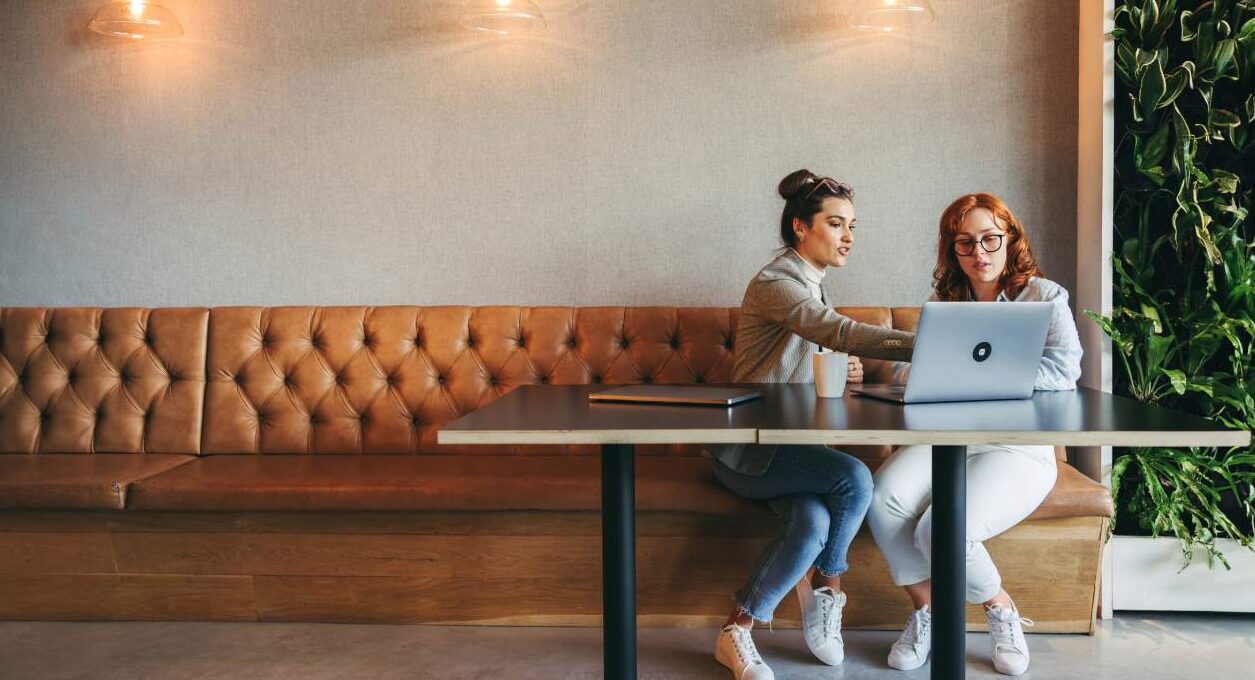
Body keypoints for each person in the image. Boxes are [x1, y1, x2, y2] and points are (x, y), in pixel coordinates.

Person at [710, 169, 916, 680]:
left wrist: (840, 364)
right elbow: (831, 329)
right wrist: (925, 339)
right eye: (835, 223)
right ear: (801, 227)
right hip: (748, 450)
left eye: (852, 226)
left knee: (813, 524)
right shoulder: (778, 282)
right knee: (854, 478)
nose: (848, 236)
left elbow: (813, 344)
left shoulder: (810, 287)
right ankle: (829, 589)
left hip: (789, 448)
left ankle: (735, 630)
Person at [866, 193, 1083, 676]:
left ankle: (1000, 608)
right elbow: (916, 373)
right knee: (881, 498)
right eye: (965, 243)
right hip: (947, 441)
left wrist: (979, 378)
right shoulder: (947, 305)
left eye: (989, 239)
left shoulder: (1044, 296)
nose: (979, 253)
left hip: (1018, 448)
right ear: (952, 250)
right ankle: (927, 611)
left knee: (939, 529)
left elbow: (1065, 371)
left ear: (1010, 240)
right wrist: (907, 374)